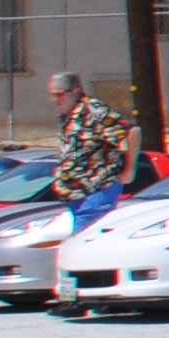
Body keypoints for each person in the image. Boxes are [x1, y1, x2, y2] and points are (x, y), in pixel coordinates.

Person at [45, 71, 139, 232]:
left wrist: (130, 170)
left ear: (75, 90)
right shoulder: (70, 115)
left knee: (83, 244)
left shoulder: (93, 111)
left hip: (97, 192)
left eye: (59, 95)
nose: (55, 100)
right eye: (52, 95)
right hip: (77, 194)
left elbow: (133, 132)